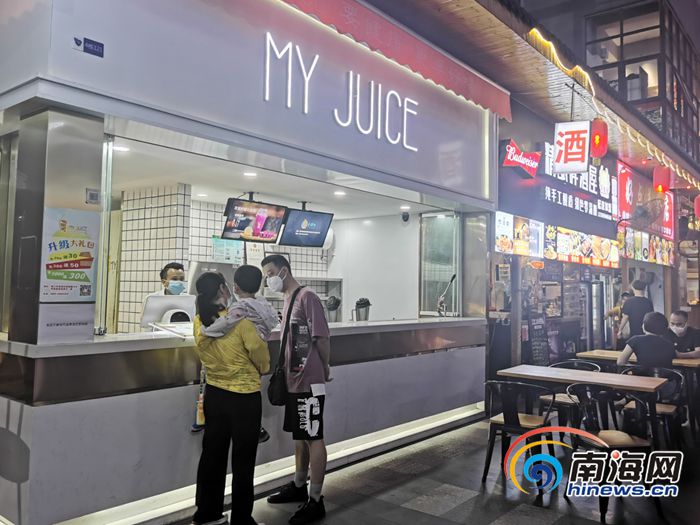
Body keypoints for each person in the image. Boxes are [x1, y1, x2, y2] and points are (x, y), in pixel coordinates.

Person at [191, 271, 270, 525]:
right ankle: (242, 520)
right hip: (244, 398)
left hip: (215, 395)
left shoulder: (199, 322)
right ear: (223, 290)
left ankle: (207, 514)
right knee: (243, 462)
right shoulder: (241, 322)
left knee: (212, 456)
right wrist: (260, 367)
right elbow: (261, 356)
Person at [262, 255, 331, 525]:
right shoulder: (288, 298)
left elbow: (321, 338)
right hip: (293, 380)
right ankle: (299, 485)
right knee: (300, 437)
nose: (268, 279)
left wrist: (325, 366)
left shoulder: (307, 297)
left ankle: (316, 499)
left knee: (313, 436)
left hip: (309, 380)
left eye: (270, 273)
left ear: (284, 270)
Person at [200, 264, 280, 444]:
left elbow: (225, 325)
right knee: (245, 447)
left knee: (220, 444)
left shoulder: (240, 309)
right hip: (253, 373)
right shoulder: (263, 303)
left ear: (235, 287)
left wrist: (206, 331)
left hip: (225, 388)